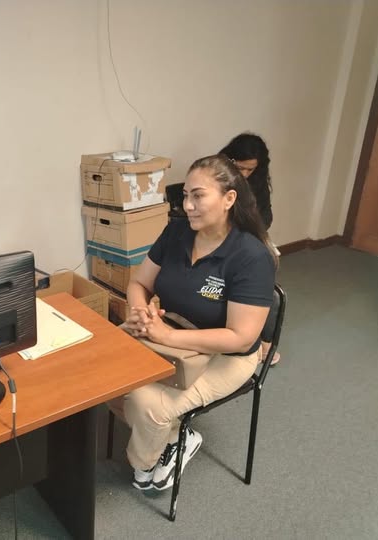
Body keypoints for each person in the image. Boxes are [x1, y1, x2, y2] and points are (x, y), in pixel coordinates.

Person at [123, 154, 276, 492]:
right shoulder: (176, 231)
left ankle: (147, 459)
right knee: (110, 370)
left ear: (229, 198)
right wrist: (141, 311)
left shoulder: (251, 257)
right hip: (173, 329)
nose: (187, 205)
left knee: (145, 402)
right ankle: (176, 434)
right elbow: (139, 284)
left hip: (227, 355)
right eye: (185, 195)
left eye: (198, 196)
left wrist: (166, 336)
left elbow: (240, 337)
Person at [220, 133, 280, 365]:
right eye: (240, 168)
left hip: (250, 237)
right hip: (222, 237)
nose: (244, 174)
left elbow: (266, 216)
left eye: (250, 169)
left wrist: (254, 235)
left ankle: (265, 341)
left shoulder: (258, 182)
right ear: (230, 160)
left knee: (268, 285)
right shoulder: (217, 174)